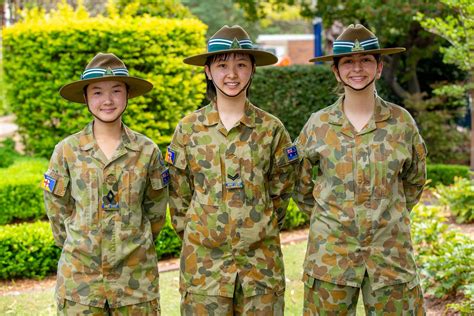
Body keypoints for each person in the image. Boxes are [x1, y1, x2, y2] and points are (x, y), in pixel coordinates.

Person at [294, 24, 427, 315]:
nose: (358, 68)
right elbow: (299, 184)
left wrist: (385, 215)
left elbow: (415, 181)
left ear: (379, 68)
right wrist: (333, 218)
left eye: (366, 60)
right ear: (336, 71)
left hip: (390, 257)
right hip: (331, 257)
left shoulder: (401, 123)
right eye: (348, 62)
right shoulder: (318, 125)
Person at [166, 25, 298, 315]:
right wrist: (202, 232)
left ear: (252, 70)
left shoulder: (271, 129)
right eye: (222, 65)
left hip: (260, 267)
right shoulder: (189, 130)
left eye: (241, 65)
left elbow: (282, 188)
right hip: (204, 270)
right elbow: (178, 195)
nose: (232, 74)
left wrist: (255, 227)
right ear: (207, 71)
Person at [42, 52, 168, 315]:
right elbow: (58, 211)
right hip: (81, 285)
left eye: (116, 91)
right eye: (97, 92)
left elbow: (155, 213)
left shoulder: (147, 151)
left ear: (127, 94)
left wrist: (131, 243)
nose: (108, 100)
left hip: (136, 284)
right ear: (86, 97)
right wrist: (83, 244)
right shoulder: (67, 151)